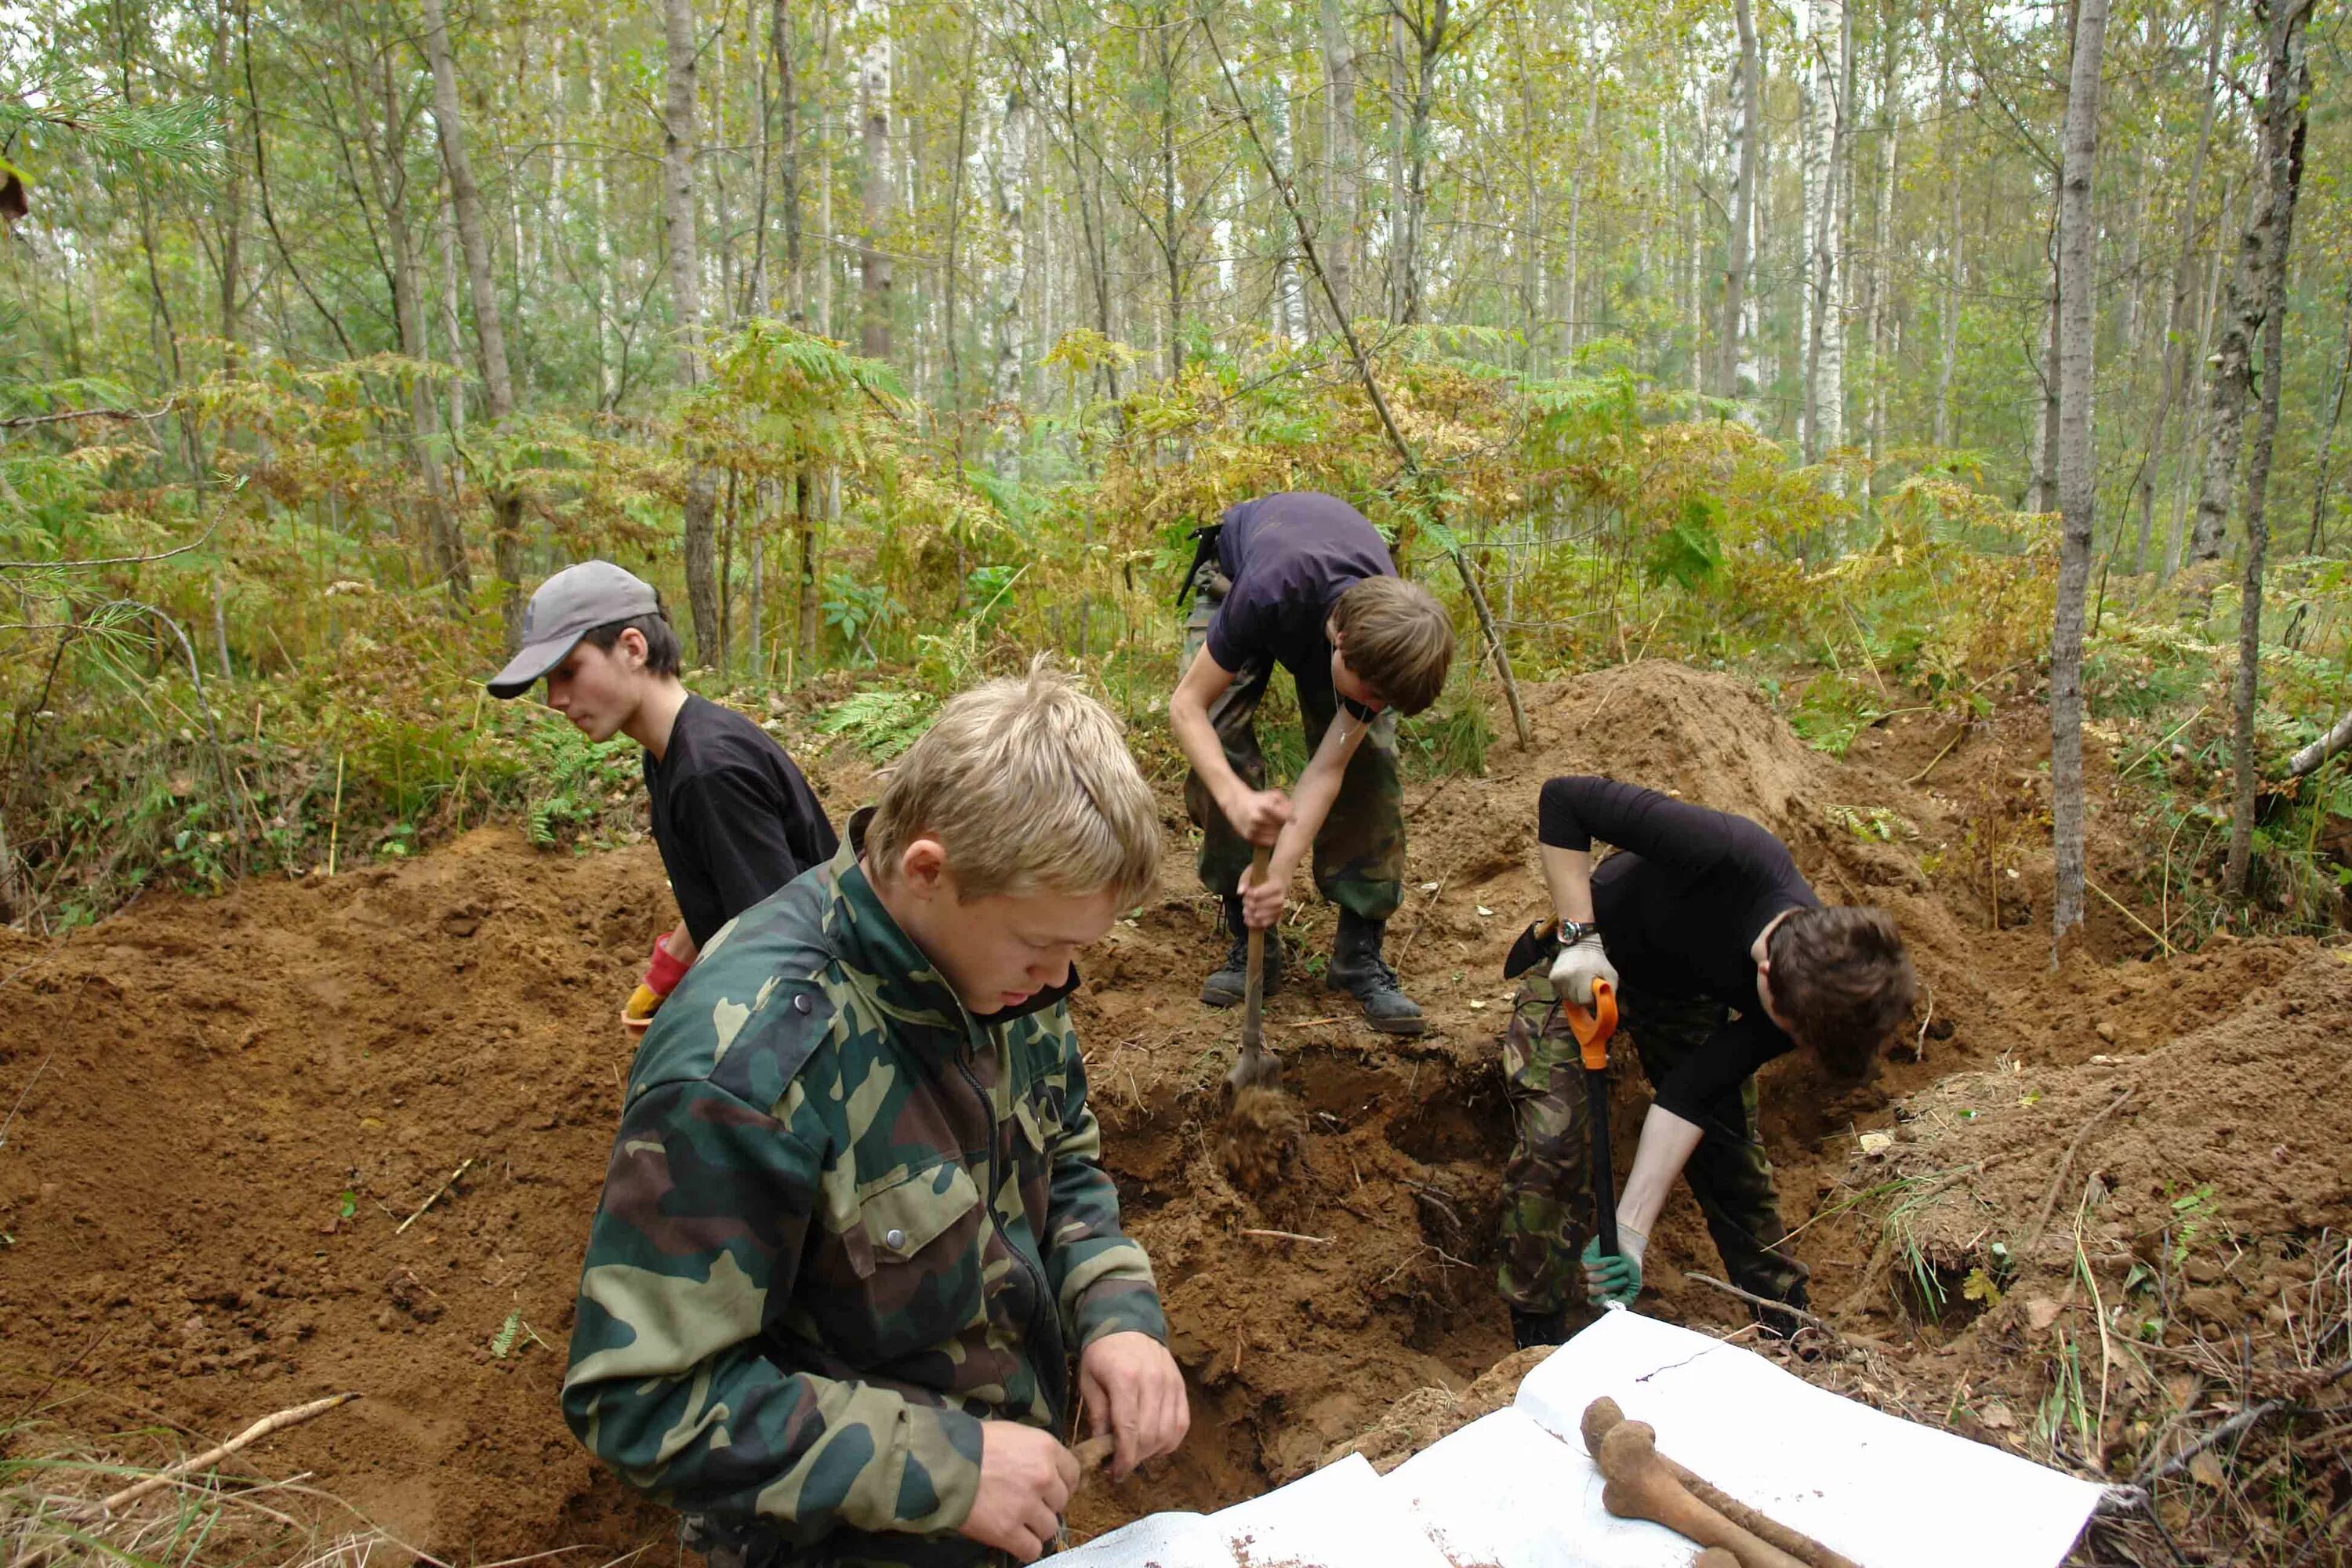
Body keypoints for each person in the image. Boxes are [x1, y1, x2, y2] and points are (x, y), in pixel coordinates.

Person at [561, 660, 1189, 1567]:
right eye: (1043, 946)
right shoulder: (748, 1066)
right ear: (928, 868)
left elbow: (1067, 1153)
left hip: (998, 1502)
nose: (1059, 982)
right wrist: (943, 1465)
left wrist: (1115, 1306)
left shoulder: (1000, 964)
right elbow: (640, 1395)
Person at [1497, 775, 1915, 1349]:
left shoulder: (1816, 998)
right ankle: (1535, 1333)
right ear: (1767, 971)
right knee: (1554, 1138)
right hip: (1587, 963)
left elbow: (1691, 1093)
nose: (1782, 1039)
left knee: (1730, 1154)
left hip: (1683, 996)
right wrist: (1579, 937)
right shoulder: (1726, 850)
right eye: (1783, 1025)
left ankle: (1790, 1329)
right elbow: (1563, 799)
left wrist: (1630, 1230)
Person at [485, 560, 837, 1035]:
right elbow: (728, 891)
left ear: (633, 648)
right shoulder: (671, 753)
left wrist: (694, 1032)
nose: (554, 699)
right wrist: (666, 976)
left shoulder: (709, 772)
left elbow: (784, 948)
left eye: (568, 671)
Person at [1167, 492, 1455, 1035]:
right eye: (1371, 693)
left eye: (1385, 701)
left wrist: (1277, 877)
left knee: (1369, 764)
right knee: (1221, 745)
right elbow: (1186, 707)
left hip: (1332, 611)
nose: (1373, 706)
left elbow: (1327, 768)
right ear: (1340, 642)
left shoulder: (1389, 635)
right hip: (1239, 577)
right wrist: (1236, 799)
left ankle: (1358, 954)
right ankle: (1246, 931)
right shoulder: (1268, 589)